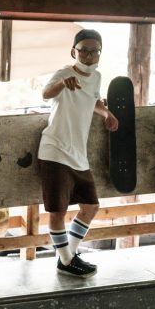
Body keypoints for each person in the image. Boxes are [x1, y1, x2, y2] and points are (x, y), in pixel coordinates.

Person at [37, 29, 119, 278]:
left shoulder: (97, 77)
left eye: (94, 50)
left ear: (99, 54)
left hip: (78, 154)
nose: (88, 54)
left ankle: (67, 258)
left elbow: (92, 99)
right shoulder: (65, 72)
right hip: (55, 150)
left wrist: (106, 113)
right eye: (83, 49)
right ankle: (66, 260)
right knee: (57, 211)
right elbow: (45, 93)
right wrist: (63, 83)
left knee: (91, 206)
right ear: (74, 51)